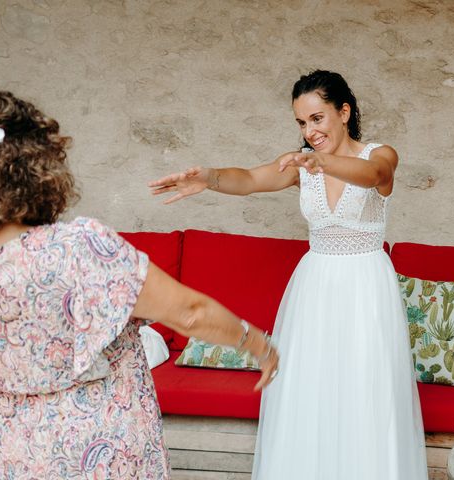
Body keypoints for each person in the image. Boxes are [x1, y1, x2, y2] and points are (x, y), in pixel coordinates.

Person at [0, 91, 278, 480]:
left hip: (11, 447)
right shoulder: (77, 248)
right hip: (98, 447)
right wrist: (257, 344)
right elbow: (190, 312)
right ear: (34, 167)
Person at [149, 70, 428, 479]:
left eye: (317, 119)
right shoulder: (301, 166)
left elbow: (374, 177)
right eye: (301, 122)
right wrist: (208, 179)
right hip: (314, 287)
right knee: (308, 393)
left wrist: (321, 161)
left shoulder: (379, 155)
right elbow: (248, 179)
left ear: (344, 112)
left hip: (366, 287)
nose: (309, 131)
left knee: (366, 392)